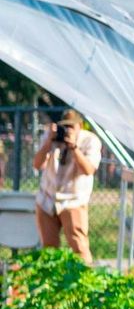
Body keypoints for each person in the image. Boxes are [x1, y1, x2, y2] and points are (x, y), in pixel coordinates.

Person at [32, 109, 102, 263]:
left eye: (71, 126)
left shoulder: (90, 141)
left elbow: (88, 170)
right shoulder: (52, 137)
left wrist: (74, 147)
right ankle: (51, 283)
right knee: (49, 250)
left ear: (80, 126)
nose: (67, 130)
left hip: (73, 200)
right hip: (47, 198)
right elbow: (37, 164)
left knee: (79, 247)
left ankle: (84, 280)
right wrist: (48, 142)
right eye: (65, 126)